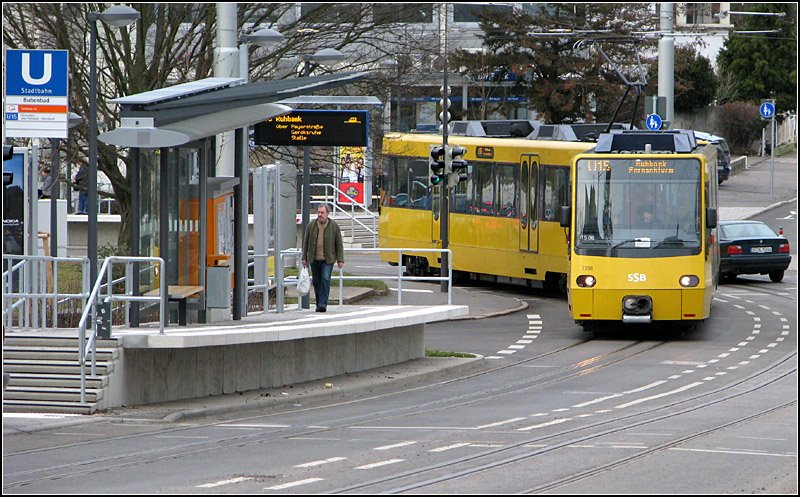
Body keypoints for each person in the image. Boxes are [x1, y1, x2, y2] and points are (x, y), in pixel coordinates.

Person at [301, 203, 345, 312]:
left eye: (322, 213)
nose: (320, 215)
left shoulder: (334, 226)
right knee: (316, 281)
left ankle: (322, 304)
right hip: (314, 258)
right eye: (319, 212)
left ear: (327, 214)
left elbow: (339, 243)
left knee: (325, 279)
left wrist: (340, 259)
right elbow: (305, 242)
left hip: (327, 259)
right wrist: (304, 257)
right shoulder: (311, 225)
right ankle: (318, 303)